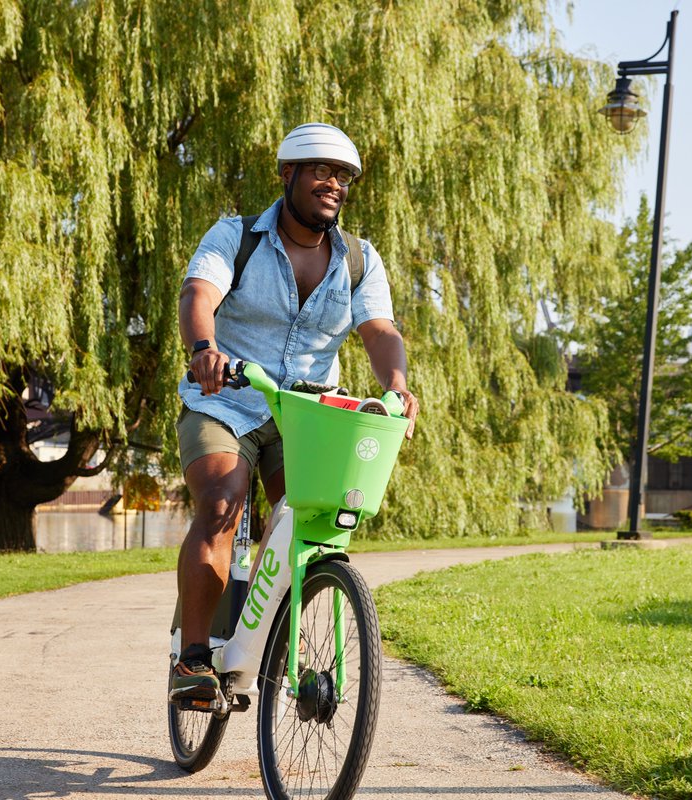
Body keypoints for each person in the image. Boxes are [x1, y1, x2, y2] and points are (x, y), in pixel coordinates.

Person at [170, 123, 419, 701]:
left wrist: (398, 384)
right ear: (288, 174)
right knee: (222, 504)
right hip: (225, 400)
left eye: (344, 177)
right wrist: (204, 350)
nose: (334, 185)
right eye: (322, 172)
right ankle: (193, 658)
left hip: (305, 415)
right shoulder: (238, 237)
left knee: (306, 524)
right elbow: (198, 294)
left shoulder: (359, 260)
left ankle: (263, 641)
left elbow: (379, 330)